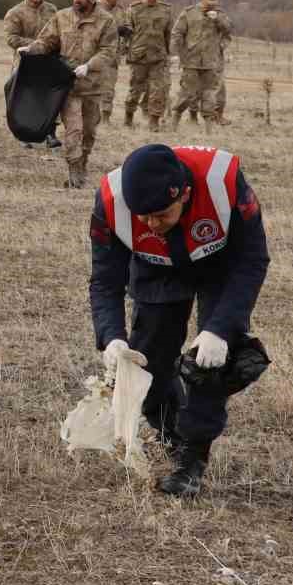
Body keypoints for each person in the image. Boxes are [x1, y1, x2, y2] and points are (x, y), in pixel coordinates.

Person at [90, 143, 270, 497]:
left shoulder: (225, 183)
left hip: (221, 263)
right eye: (143, 217)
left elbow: (252, 260)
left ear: (185, 194)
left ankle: (192, 456)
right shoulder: (111, 202)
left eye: (161, 215)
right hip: (155, 266)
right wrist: (111, 335)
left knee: (209, 363)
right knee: (149, 362)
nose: (152, 224)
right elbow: (105, 278)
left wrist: (220, 330)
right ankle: (170, 432)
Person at [21, 0, 114, 187]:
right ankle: (73, 173)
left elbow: (108, 50)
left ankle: (82, 164)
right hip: (67, 86)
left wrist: (90, 66)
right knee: (74, 130)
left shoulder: (106, 21)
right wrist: (32, 49)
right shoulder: (61, 17)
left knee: (89, 132)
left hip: (92, 86)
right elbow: (48, 41)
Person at [3, 0, 61, 148]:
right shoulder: (15, 12)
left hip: (48, 61)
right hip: (25, 62)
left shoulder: (52, 10)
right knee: (24, 99)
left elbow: (59, 32)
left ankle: (50, 134)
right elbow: (11, 38)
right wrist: (34, 46)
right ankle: (24, 135)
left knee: (49, 98)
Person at [171, 0, 232, 126]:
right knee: (187, 93)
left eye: (214, 1)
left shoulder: (220, 15)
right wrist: (176, 53)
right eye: (209, 1)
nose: (211, 4)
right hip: (191, 60)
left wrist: (217, 20)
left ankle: (209, 126)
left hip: (211, 62)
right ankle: (176, 119)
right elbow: (177, 33)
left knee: (209, 95)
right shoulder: (189, 13)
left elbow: (228, 32)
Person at [124, 0, 174, 131]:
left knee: (158, 90)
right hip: (139, 56)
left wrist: (169, 53)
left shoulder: (165, 10)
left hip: (158, 56)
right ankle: (129, 116)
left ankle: (154, 121)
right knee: (135, 90)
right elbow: (127, 29)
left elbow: (168, 33)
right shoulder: (134, 9)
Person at [97, 0, 131, 126]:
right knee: (89, 88)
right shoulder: (93, 8)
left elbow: (128, 27)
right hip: (93, 54)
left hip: (112, 57)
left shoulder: (120, 10)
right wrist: (114, 30)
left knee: (109, 89)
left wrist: (126, 30)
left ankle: (105, 118)